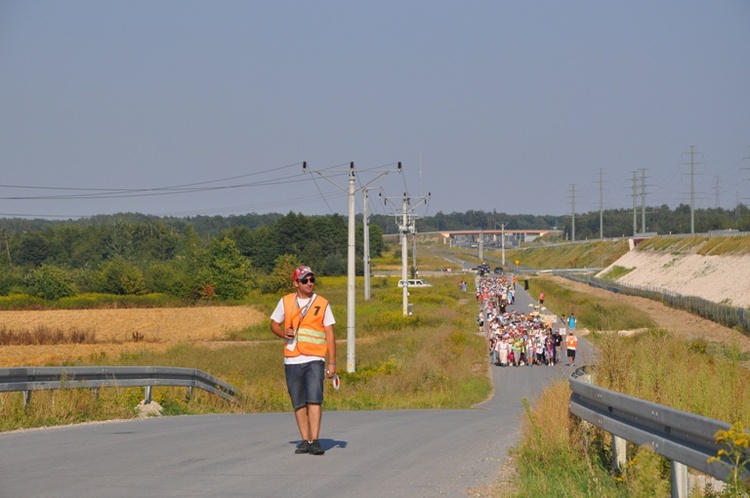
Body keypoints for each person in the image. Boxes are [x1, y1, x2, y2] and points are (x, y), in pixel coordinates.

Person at [270, 265, 337, 456]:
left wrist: (332, 362)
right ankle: (305, 440)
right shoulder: (285, 302)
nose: (309, 283)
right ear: (296, 283)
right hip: (292, 359)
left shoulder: (323, 303)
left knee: (314, 399)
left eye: (312, 280)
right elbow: (273, 323)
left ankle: (314, 440)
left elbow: (330, 333)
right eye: (305, 280)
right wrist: (282, 332)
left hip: (315, 358)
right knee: (298, 402)